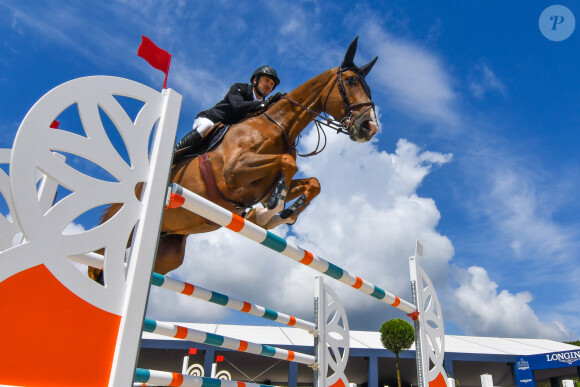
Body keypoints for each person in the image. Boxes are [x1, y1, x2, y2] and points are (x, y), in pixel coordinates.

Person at [175, 65, 284, 151]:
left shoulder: (263, 105)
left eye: (272, 84)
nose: (269, 85)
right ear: (255, 80)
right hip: (210, 120)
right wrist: (267, 103)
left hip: (227, 133)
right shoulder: (240, 88)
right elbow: (238, 106)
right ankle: (174, 153)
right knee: (207, 126)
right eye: (266, 80)